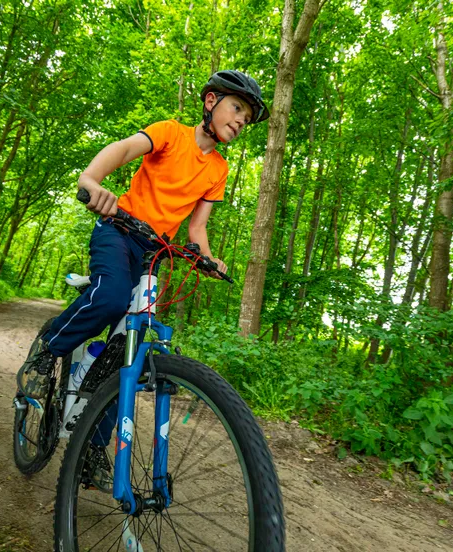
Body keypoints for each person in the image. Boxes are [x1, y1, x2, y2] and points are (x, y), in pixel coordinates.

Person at [17, 70, 269, 488]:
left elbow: (197, 230)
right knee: (113, 296)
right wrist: (90, 180)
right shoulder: (170, 133)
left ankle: (92, 448)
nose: (242, 120)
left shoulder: (219, 170)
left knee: (127, 355)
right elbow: (123, 148)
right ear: (210, 101)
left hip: (154, 254)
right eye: (237, 107)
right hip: (119, 231)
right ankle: (47, 350)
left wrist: (208, 259)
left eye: (247, 117)